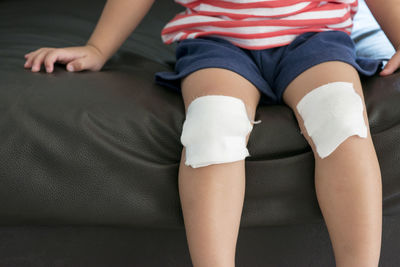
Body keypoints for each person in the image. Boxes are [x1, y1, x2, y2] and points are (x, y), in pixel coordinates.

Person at [23, 0, 400, 266]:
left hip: (317, 36)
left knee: (341, 117)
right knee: (212, 128)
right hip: (217, 43)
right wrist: (97, 47)